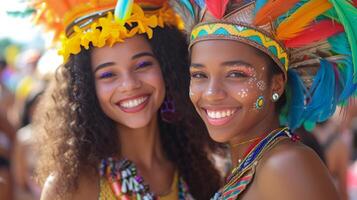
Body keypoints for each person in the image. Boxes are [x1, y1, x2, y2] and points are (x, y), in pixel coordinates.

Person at [31, 0, 221, 199]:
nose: (129, 84)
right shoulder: (71, 187)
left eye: (142, 64)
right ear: (86, 89)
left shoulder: (196, 167)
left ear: (167, 67)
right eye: (107, 75)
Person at [173, 0, 357, 199]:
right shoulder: (247, 165)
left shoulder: (286, 165)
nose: (211, 93)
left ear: (276, 84)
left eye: (236, 74)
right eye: (200, 75)